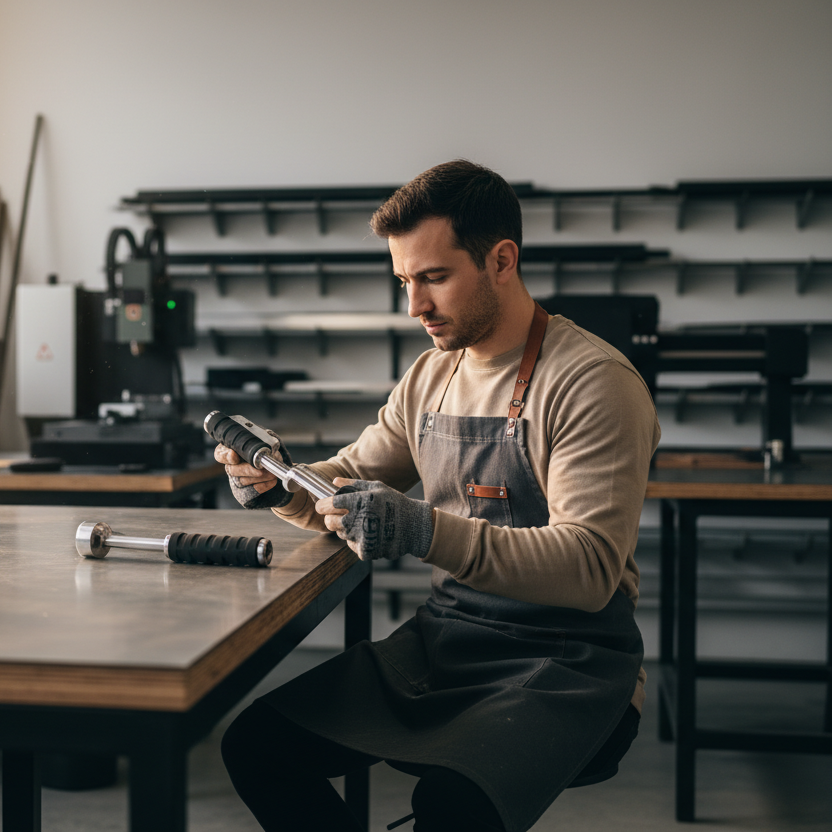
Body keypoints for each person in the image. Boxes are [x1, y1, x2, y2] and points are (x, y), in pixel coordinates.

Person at [215, 159, 660, 832]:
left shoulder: (592, 382)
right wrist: (274, 483)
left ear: (501, 260)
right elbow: (343, 484)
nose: (414, 305)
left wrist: (423, 531)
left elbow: (589, 570)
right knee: (257, 747)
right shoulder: (431, 376)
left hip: (568, 659)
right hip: (449, 640)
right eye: (404, 281)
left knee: (455, 806)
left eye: (434, 278)